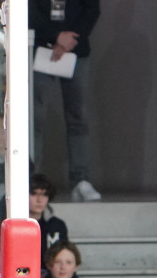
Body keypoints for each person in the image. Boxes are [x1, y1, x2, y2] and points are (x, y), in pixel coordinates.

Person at [29, 0, 101, 203]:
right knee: (34, 118)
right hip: (41, 49)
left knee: (78, 117)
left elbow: (92, 9)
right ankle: (31, 180)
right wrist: (56, 36)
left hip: (76, 51)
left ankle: (81, 180)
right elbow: (29, 10)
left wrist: (68, 39)